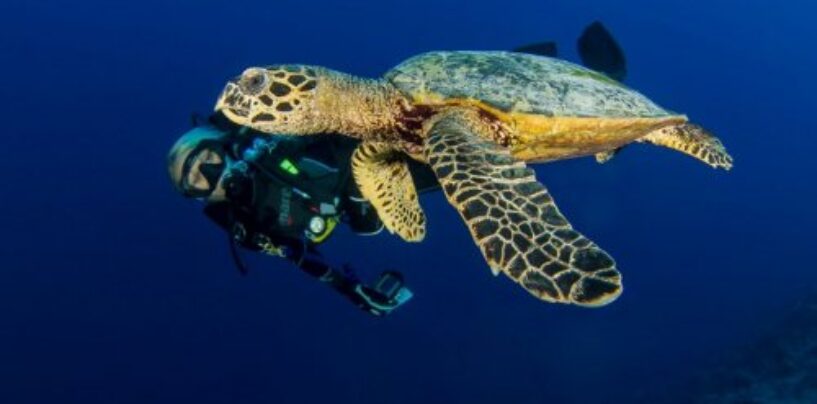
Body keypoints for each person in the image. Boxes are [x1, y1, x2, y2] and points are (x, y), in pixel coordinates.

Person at [167, 21, 626, 316]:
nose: (210, 178)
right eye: (196, 184)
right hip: (381, 187)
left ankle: (588, 94)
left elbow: (312, 108)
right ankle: (601, 117)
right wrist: (355, 291)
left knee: (478, 124)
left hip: (383, 138)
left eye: (205, 162)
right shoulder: (247, 227)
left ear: (222, 142)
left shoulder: (268, 143)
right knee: (492, 150)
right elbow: (307, 259)